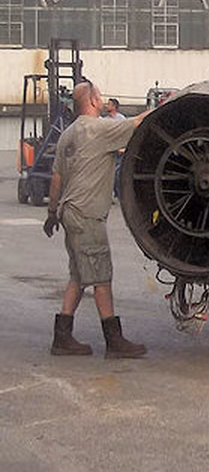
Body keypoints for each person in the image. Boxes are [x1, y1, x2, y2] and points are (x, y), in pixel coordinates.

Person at [43, 80, 147, 358]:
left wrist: (52, 213)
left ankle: (62, 337)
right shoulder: (99, 129)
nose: (102, 98)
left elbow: (57, 177)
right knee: (101, 276)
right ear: (92, 101)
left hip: (69, 212)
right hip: (87, 214)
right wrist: (168, 105)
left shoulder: (67, 135)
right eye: (99, 95)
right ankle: (114, 341)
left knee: (78, 274)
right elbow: (137, 124)